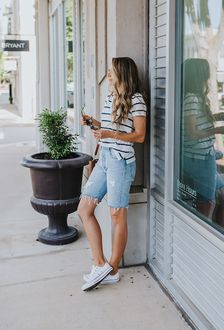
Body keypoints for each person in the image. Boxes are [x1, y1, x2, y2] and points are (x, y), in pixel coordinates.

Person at [78, 57, 147, 291]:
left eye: (112, 71)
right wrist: (93, 123)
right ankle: (100, 264)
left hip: (121, 163)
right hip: (106, 158)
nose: (108, 75)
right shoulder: (110, 98)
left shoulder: (137, 101)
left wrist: (109, 135)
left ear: (122, 74)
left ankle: (113, 269)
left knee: (117, 215)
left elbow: (139, 136)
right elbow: (108, 128)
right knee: (84, 209)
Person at [182, 58, 224, 221]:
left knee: (223, 199)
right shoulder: (192, 99)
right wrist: (218, 129)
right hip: (200, 160)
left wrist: (215, 117)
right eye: (205, 73)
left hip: (203, 158)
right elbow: (192, 132)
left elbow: (196, 121)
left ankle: (218, 241)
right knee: (206, 205)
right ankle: (202, 242)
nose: (208, 77)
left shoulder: (194, 98)